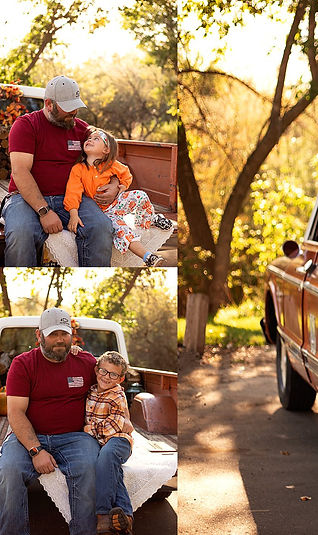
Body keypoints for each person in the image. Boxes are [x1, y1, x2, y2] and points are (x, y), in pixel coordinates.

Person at [0, 308, 101, 535]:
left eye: (64, 334)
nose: (59, 340)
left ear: (72, 335)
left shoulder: (85, 362)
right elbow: (15, 412)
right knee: (9, 469)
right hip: (27, 437)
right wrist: (36, 450)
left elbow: (112, 380)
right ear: (39, 336)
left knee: (90, 467)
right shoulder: (22, 364)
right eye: (53, 334)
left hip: (75, 437)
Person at [3, 75, 115, 267]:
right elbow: (20, 172)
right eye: (68, 106)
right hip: (24, 197)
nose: (74, 111)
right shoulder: (26, 125)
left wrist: (114, 185)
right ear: (48, 104)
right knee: (21, 233)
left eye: (76, 104)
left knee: (101, 227)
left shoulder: (81, 130)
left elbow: (108, 158)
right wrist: (44, 211)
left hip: (70, 198)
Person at [64, 126, 172, 267]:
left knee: (140, 196)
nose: (90, 140)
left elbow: (126, 174)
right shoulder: (78, 169)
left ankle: (149, 219)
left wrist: (122, 187)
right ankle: (148, 257)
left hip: (117, 203)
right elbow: (73, 191)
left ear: (106, 150)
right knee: (122, 231)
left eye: (96, 138)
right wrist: (73, 213)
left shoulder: (111, 165)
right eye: (89, 138)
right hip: (102, 213)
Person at [84, 351, 135, 535]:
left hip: (119, 440)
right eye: (104, 371)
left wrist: (90, 429)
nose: (107, 377)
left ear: (120, 379)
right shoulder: (90, 391)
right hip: (101, 442)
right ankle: (126, 518)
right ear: (97, 370)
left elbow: (115, 425)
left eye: (113, 374)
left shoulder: (117, 396)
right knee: (110, 467)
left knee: (106, 457)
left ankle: (103, 514)